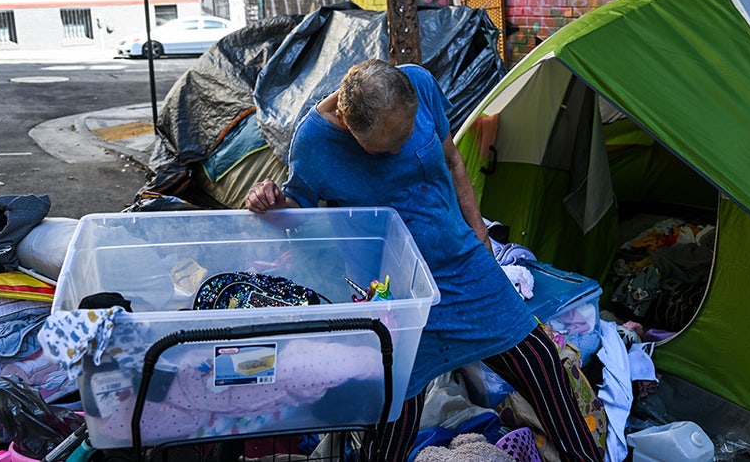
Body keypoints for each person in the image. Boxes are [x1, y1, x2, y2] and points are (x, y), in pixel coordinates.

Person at [246, 58, 602, 462]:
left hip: (462, 266)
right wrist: (272, 201)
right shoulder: (313, 143)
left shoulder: (419, 83)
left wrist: (481, 241)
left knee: (543, 365)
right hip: (397, 297)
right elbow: (298, 209)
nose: (401, 149)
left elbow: (452, 162)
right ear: (347, 122)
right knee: (397, 418)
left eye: (407, 135)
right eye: (387, 147)